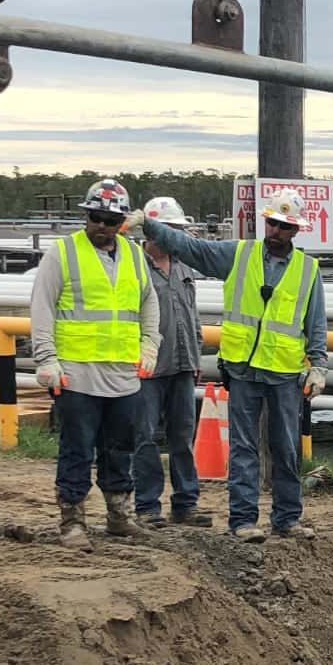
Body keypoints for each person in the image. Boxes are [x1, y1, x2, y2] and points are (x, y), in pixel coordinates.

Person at [126, 192, 326, 541]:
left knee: (286, 447)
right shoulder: (238, 255)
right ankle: (243, 520)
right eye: (274, 223)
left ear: (296, 231)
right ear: (267, 222)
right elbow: (189, 248)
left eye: (286, 226)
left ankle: (287, 518)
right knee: (243, 448)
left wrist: (319, 365)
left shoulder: (308, 271)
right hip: (242, 368)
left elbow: (316, 323)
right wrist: (150, 225)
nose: (278, 231)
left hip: (283, 372)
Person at [29, 179, 160, 548]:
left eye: (109, 219)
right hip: (77, 373)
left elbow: (148, 301)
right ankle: (73, 521)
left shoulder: (134, 255)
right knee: (77, 448)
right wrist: (46, 358)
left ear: (121, 220)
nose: (101, 225)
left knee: (120, 447)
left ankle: (119, 515)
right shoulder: (63, 253)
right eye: (95, 217)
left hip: (123, 373)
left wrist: (150, 343)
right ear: (86, 216)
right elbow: (42, 306)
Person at [134, 195, 206, 527]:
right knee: (145, 436)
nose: (175, 237)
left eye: (179, 230)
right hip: (147, 367)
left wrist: (196, 354)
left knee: (182, 436)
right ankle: (147, 506)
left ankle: (185, 503)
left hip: (181, 364)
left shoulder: (183, 266)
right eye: (171, 230)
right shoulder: (133, 266)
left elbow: (191, 314)